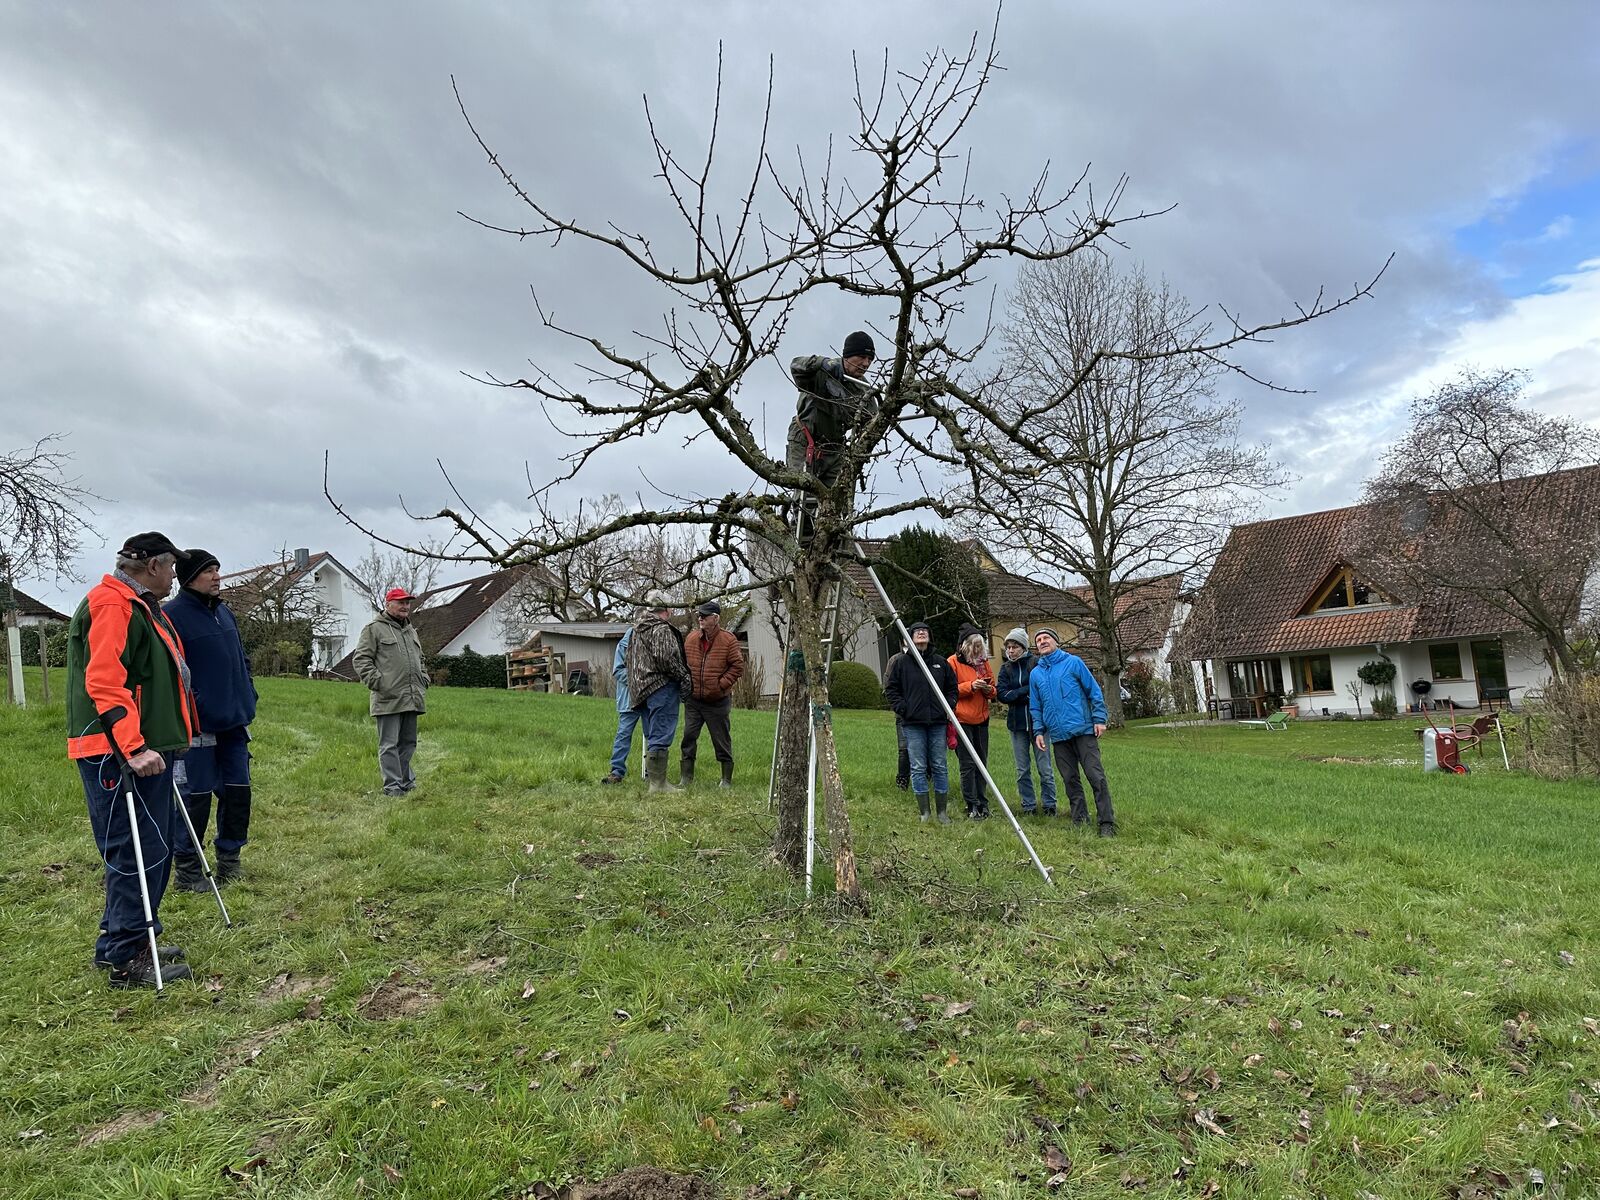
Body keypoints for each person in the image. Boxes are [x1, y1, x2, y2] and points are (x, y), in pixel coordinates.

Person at [66, 532, 198, 988]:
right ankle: (126, 958)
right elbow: (104, 681)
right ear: (151, 566)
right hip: (118, 752)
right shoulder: (113, 604)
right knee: (134, 851)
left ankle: (128, 941)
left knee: (153, 848)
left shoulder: (140, 605)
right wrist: (134, 746)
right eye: (172, 567)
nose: (176, 577)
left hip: (142, 749)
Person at [163, 549, 258, 889]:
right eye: (209, 571)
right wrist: (192, 707)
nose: (217, 576)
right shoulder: (171, 616)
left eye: (218, 569)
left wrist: (249, 691)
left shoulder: (225, 613)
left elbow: (240, 658)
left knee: (237, 793)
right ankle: (188, 869)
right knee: (195, 799)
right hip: (197, 728)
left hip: (234, 723)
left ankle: (230, 860)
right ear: (189, 578)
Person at [786, 332, 880, 532]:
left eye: (870, 359)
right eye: (862, 357)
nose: (866, 363)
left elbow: (873, 423)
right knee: (805, 496)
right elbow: (796, 365)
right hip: (805, 439)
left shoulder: (863, 392)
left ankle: (830, 547)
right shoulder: (822, 372)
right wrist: (822, 363)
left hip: (835, 449)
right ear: (847, 355)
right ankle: (799, 536)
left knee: (836, 505)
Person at [1028, 628, 1117, 836]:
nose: (1042, 642)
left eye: (1046, 638)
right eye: (1038, 640)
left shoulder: (1073, 662)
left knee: (1096, 777)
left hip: (1083, 730)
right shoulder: (1036, 674)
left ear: (1056, 641)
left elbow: (1093, 690)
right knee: (1069, 779)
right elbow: (1035, 705)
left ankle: (1106, 823)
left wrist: (1099, 719)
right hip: (1058, 736)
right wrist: (1039, 731)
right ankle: (1080, 819)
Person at [353, 587, 429, 796]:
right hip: (387, 698)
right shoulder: (374, 629)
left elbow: (420, 659)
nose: (405, 606)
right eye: (400, 602)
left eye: (408, 602)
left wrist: (424, 678)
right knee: (389, 745)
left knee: (408, 743)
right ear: (388, 605)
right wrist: (378, 682)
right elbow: (361, 659)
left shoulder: (411, 631)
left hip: (412, 697)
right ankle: (393, 786)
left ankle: (406, 781)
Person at [884, 621, 958, 824]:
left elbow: (952, 688)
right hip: (913, 723)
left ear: (930, 637)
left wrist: (948, 705)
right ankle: (924, 812)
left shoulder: (941, 663)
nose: (921, 633)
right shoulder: (901, 663)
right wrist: (902, 708)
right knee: (917, 766)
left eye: (925, 631)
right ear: (910, 637)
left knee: (939, 765)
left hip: (937, 723)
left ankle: (942, 812)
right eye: (917, 631)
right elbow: (891, 689)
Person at [626, 595, 691, 793]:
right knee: (661, 732)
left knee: (652, 733)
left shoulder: (637, 630)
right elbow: (665, 658)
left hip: (641, 688)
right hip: (661, 686)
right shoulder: (661, 628)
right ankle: (658, 784)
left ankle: (655, 782)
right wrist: (683, 675)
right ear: (667, 608)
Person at [680, 600, 745, 787]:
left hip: (717, 701)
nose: (700, 618)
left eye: (705, 616)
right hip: (693, 700)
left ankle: (726, 780)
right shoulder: (691, 638)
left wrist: (720, 685)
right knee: (688, 737)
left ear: (715, 618)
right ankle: (686, 778)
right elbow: (684, 664)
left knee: (721, 740)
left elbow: (737, 666)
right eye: (699, 615)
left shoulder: (728, 639)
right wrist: (686, 685)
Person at [996, 627, 1056, 816]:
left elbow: (1041, 689)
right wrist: (1024, 692)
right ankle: (1028, 805)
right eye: (1008, 647)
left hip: (1039, 724)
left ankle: (1049, 804)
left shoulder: (1036, 663)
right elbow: (1003, 695)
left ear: (1023, 647)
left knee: (1044, 768)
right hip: (1017, 725)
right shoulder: (1005, 668)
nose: (1011, 651)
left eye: (1015, 647)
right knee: (1022, 769)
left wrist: (1018, 693)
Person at [948, 626, 998, 819]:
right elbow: (949, 690)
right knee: (968, 763)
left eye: (980, 646)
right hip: (961, 718)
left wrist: (987, 690)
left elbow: (994, 690)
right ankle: (971, 804)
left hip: (982, 718)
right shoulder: (952, 662)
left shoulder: (983, 663)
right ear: (964, 646)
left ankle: (983, 802)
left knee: (981, 762)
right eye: (974, 646)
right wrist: (971, 686)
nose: (977, 651)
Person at [600, 626, 641, 784]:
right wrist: (638, 681)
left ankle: (654, 773)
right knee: (623, 734)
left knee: (653, 734)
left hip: (649, 697)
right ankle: (616, 772)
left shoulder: (654, 639)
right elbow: (618, 671)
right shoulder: (624, 645)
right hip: (629, 698)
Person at [883, 646, 910, 790]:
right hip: (903, 713)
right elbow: (888, 684)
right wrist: (899, 706)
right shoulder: (895, 660)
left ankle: (927, 775)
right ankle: (902, 779)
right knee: (904, 748)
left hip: (922, 712)